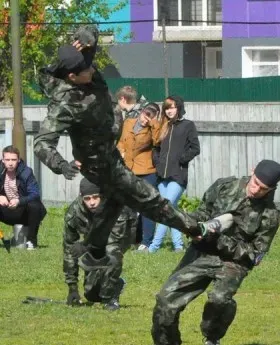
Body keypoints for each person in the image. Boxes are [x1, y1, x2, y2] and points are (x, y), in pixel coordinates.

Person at [33, 25, 200, 268]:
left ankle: (90, 248)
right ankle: (198, 229)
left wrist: (87, 38)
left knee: (112, 207)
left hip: (112, 154)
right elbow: (41, 143)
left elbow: (88, 37)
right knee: (149, 199)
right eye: (86, 69)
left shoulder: (82, 73)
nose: (92, 70)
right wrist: (59, 164)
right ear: (71, 76)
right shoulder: (64, 104)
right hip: (101, 165)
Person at [144, 159, 280, 345]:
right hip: (201, 252)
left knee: (220, 299)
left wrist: (220, 240)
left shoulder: (269, 216)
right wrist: (193, 226)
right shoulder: (224, 186)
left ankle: (212, 338)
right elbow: (202, 212)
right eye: (255, 182)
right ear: (252, 171)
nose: (255, 190)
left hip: (233, 263)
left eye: (262, 188)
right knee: (166, 298)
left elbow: (254, 256)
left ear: (272, 188)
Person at [64, 178, 135, 311]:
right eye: (87, 198)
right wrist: (72, 287)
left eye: (95, 197)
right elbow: (69, 249)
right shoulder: (74, 213)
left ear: (102, 195)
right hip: (92, 244)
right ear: (81, 197)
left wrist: (86, 245)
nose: (92, 202)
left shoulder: (117, 208)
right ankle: (115, 283)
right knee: (91, 295)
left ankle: (111, 299)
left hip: (120, 238)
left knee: (112, 253)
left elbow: (115, 241)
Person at [148, 95, 200, 253]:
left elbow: (195, 148)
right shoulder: (163, 126)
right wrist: (157, 163)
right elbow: (155, 148)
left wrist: (181, 159)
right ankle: (178, 246)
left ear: (179, 108)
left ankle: (153, 247)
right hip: (162, 176)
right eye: (167, 108)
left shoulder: (188, 125)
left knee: (165, 210)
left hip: (178, 175)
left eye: (172, 107)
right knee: (172, 210)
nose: (169, 111)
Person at [117, 103, 161, 252]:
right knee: (128, 206)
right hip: (128, 169)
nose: (145, 120)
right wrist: (121, 151)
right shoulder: (128, 122)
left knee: (147, 207)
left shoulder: (154, 128)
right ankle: (130, 239)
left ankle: (146, 242)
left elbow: (158, 142)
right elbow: (121, 141)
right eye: (145, 115)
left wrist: (154, 124)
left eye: (149, 118)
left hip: (147, 171)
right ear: (141, 112)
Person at [0, 145, 47, 250]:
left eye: (13, 159)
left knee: (35, 204)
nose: (10, 163)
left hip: (23, 211)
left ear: (18, 160)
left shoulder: (26, 172)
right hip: (5, 210)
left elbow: (35, 193)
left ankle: (31, 241)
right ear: (3, 160)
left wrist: (19, 201)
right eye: (7, 159)